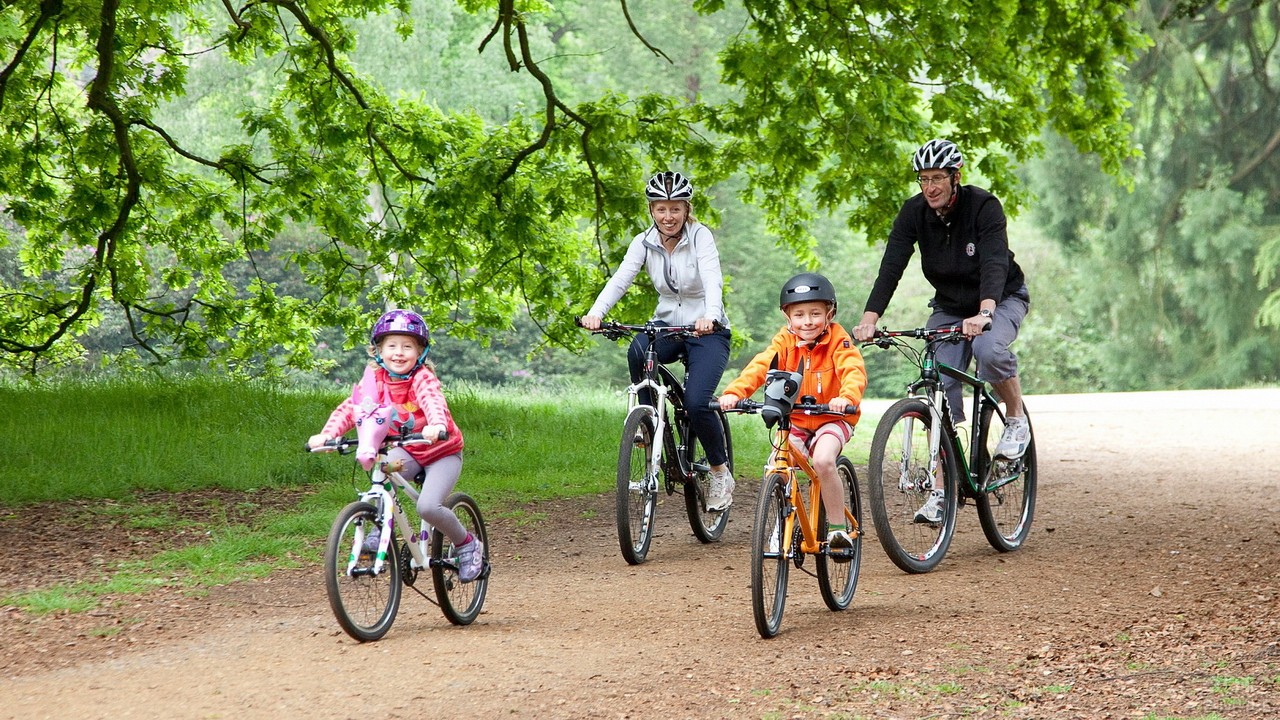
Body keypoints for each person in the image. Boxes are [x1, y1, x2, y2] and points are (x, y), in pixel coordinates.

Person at [851, 139, 1032, 524]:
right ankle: (941, 488)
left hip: (1000, 297)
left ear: (955, 177)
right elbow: (891, 267)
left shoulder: (984, 206)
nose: (929, 187)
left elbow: (995, 262)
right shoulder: (914, 213)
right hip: (949, 307)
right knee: (937, 380)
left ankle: (1015, 419)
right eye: (923, 179)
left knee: (988, 351)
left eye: (937, 178)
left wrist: (986, 312)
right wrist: (869, 319)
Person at [580, 171, 736, 510]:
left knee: (696, 402)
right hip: (666, 326)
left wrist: (710, 315)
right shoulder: (643, 241)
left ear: (686, 209)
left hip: (707, 331)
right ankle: (649, 422)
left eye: (676, 209)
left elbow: (713, 280)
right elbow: (620, 280)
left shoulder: (700, 237)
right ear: (652, 210)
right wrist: (596, 313)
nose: (668, 216)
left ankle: (720, 471)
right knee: (638, 349)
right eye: (661, 209)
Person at [307, 309, 485, 583]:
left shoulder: (422, 378)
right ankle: (380, 528)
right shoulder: (375, 381)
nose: (398, 353)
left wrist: (437, 425)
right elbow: (351, 408)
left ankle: (467, 544)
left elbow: (432, 401)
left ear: (420, 352)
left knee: (427, 506)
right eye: (391, 346)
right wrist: (326, 434)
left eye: (407, 346)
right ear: (378, 350)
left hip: (441, 452)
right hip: (408, 450)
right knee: (381, 470)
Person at [718, 273, 867, 553]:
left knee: (823, 461)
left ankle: (837, 529)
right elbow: (761, 366)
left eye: (815, 314)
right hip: (796, 420)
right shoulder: (784, 341)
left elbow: (852, 371)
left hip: (832, 418)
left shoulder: (838, 340)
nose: (807, 321)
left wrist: (845, 398)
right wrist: (735, 393)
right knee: (777, 463)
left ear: (829, 313)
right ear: (788, 317)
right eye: (799, 315)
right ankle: (782, 522)